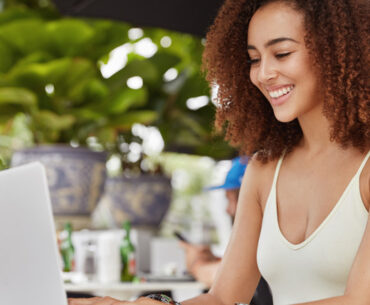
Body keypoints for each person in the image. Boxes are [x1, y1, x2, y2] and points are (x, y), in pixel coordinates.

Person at [69, 0, 369, 304]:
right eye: (254, 59)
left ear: (338, 52)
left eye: (282, 54)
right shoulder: (265, 170)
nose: (263, 74)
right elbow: (224, 298)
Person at [180, 157, 272, 305]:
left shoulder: (267, 241)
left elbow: (228, 281)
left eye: (230, 199)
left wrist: (195, 263)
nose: (227, 210)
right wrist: (212, 259)